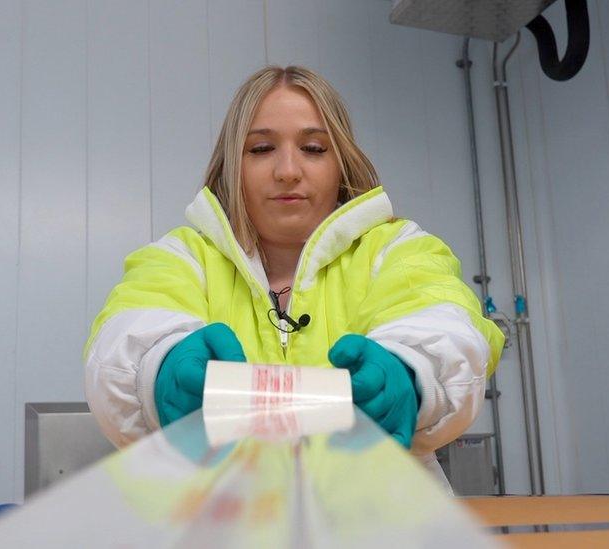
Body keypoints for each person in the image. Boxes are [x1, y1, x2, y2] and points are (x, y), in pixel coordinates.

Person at [84, 65, 504, 480]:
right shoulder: (181, 257)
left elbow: (447, 327)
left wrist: (413, 375)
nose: (287, 170)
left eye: (314, 148)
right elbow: (125, 340)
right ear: (233, 165)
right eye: (261, 149)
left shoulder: (397, 249)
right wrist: (159, 371)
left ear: (341, 163)